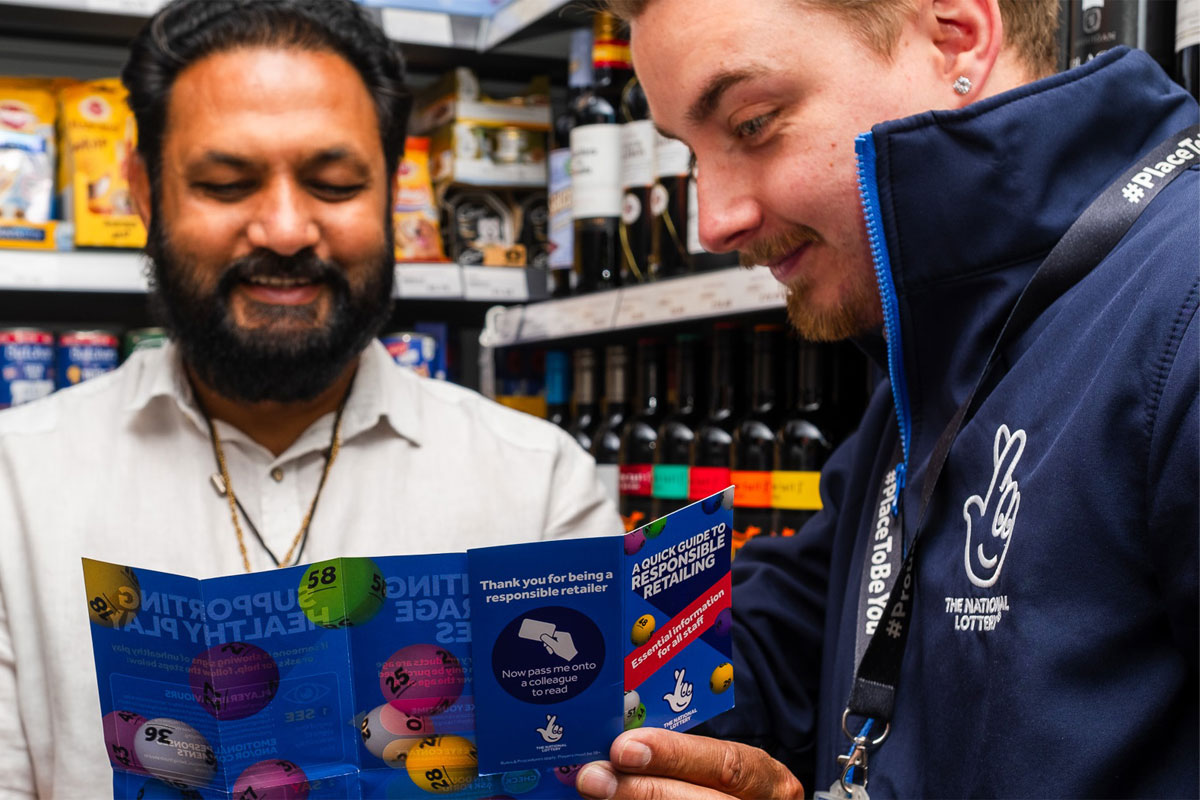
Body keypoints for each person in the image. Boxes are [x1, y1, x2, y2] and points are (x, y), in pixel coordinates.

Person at [574, 0, 1199, 798]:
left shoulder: (1181, 310)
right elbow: (776, 650)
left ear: (955, 38)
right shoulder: (942, 349)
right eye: (690, 154)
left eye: (755, 122)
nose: (713, 221)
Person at [0, 1, 622, 795]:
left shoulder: (538, 486)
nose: (287, 229)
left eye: (334, 184)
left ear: (391, 193)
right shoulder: (14, 484)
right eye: (226, 183)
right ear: (144, 194)